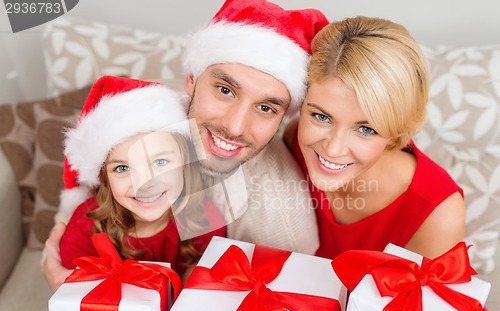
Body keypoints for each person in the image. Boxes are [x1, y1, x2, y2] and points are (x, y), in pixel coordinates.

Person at [42, 0, 330, 290]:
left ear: (284, 115)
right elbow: (82, 203)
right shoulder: (144, 115)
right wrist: (64, 267)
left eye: (266, 108)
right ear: (190, 81)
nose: (235, 127)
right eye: (225, 90)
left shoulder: (281, 221)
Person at [285, 16, 499, 311]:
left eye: (366, 129)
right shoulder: (294, 140)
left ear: (395, 133)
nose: (334, 148)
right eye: (321, 116)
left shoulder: (435, 211)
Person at [58, 75, 225, 277]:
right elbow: (82, 302)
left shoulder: (205, 219)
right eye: (122, 168)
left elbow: (203, 291)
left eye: (160, 162)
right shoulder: (84, 232)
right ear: (105, 180)